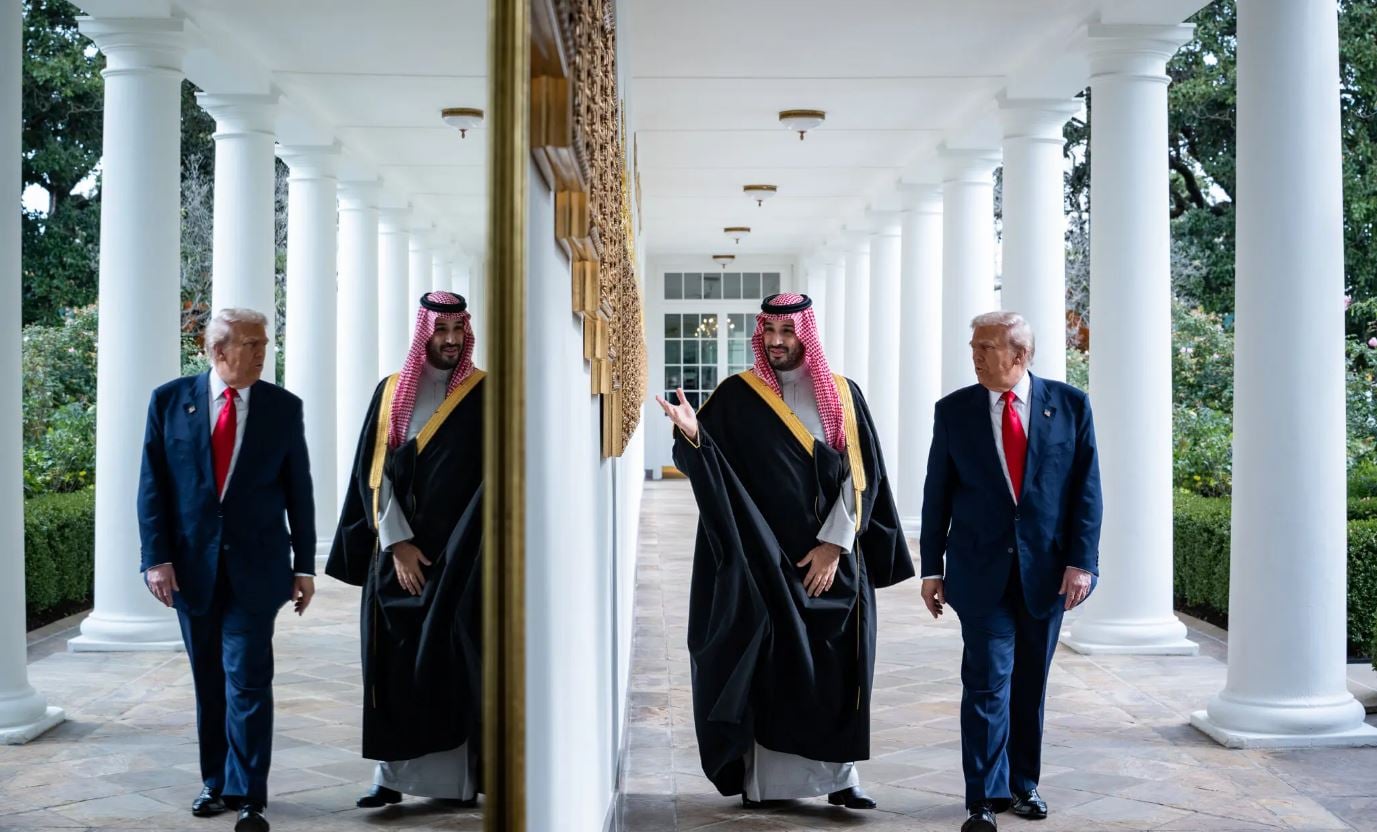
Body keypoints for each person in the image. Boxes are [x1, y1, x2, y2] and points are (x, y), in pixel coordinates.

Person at [656, 292, 913, 811]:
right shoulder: (736, 396)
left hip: (831, 561)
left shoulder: (842, 394)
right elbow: (709, 465)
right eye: (769, 332)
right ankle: (765, 785)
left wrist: (833, 546)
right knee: (771, 667)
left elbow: (861, 477)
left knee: (837, 668)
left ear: (806, 335)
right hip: (764, 564)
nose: (776, 342)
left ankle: (841, 777)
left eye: (787, 332)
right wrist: (694, 434)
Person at [919, 311, 1103, 832]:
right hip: (978, 573)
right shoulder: (954, 411)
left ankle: (1023, 784)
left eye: (985, 347)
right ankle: (982, 797)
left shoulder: (1070, 405)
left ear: (1019, 355)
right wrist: (931, 568)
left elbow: (1086, 491)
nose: (975, 356)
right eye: (973, 346)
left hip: (1047, 574)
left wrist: (1082, 563)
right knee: (985, 683)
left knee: (1029, 685)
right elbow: (937, 494)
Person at [138, 308, 316, 832]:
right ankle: (214, 782)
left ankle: (249, 794)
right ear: (219, 351)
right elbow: (152, 487)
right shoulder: (169, 401)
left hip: (257, 569)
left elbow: (299, 491)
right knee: (209, 680)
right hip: (191, 570)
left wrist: (304, 565)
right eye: (252, 344)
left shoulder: (283, 408)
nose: (263, 352)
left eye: (265, 343)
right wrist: (156, 559)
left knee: (248, 679)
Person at [328, 291, 485, 809]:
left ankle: (457, 784)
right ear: (424, 334)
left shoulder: (485, 394)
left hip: (462, 559)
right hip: (398, 553)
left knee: (451, 663)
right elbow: (374, 474)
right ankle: (390, 776)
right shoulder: (393, 391)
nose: (451, 340)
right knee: (393, 665)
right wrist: (397, 544)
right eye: (441, 331)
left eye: (458, 330)